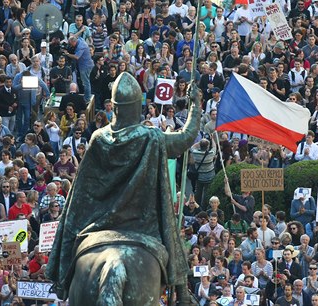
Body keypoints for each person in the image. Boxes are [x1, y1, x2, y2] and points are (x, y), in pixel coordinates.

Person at [46, 72, 201, 304]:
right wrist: (195, 105)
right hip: (143, 230)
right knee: (172, 238)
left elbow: (80, 193)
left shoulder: (98, 138)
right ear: (136, 106)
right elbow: (186, 137)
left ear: (115, 107)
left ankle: (61, 281)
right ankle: (183, 294)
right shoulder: (152, 137)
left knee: (71, 240)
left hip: (97, 228)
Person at [63, 36, 94, 102]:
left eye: (71, 44)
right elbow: (75, 36)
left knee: (86, 82)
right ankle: (85, 95)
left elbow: (77, 57)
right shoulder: (79, 39)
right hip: (81, 65)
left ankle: (87, 98)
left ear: (74, 42)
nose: (70, 46)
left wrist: (67, 54)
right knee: (83, 82)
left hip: (85, 66)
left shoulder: (81, 46)